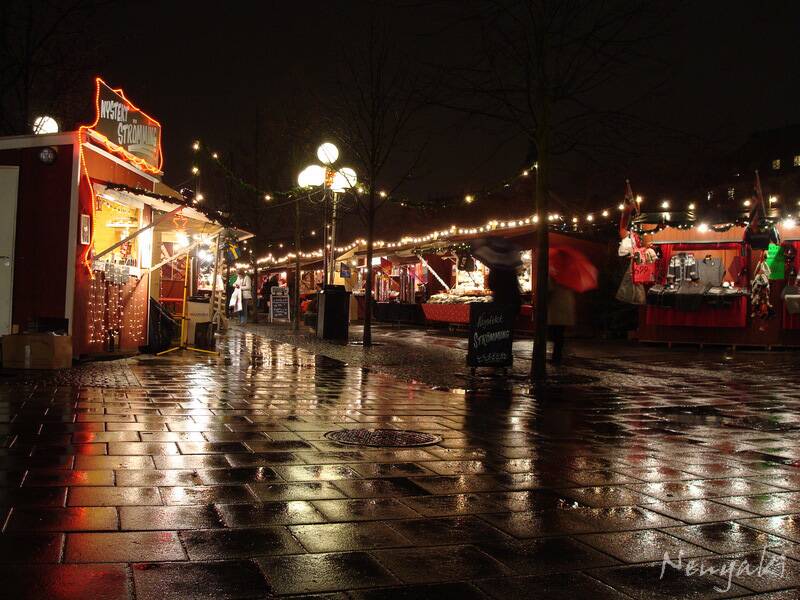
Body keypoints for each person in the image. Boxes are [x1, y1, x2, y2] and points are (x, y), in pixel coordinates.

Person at [547, 279, 576, 364]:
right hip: (565, 306)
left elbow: (549, 291)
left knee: (556, 334)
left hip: (557, 307)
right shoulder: (570, 278)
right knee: (559, 334)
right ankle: (558, 356)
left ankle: (556, 357)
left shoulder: (554, 277)